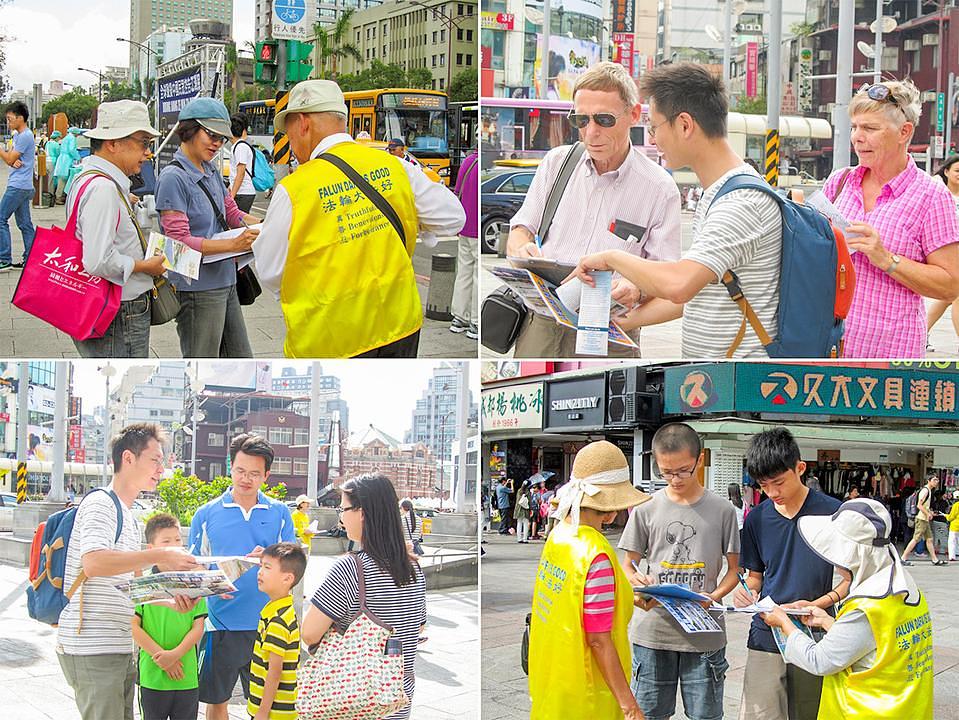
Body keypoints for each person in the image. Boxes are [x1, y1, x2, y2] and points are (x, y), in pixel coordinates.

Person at [567, 63, 783, 359]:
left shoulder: (741, 204)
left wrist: (609, 257)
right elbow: (693, 292)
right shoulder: (717, 193)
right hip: (713, 373)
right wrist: (617, 321)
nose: (653, 140)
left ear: (684, 125)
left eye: (655, 128)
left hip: (739, 375)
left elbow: (679, 285)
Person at [252, 79, 464, 358]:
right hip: (399, 327)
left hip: (330, 339)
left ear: (303, 123)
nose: (289, 143)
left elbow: (269, 272)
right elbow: (453, 217)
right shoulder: (396, 166)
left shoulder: (294, 189)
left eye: (288, 132)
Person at [507, 61, 681, 358]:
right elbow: (520, 230)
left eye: (604, 120)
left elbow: (666, 276)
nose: (591, 132)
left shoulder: (659, 188)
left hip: (609, 328)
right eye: (581, 121)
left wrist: (636, 289)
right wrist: (522, 248)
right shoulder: (556, 163)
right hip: (543, 322)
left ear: (634, 115)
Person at [57, 424, 201, 720]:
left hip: (117, 647)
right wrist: (162, 554)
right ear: (129, 458)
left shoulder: (130, 518)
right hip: (92, 647)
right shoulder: (101, 503)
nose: (162, 468)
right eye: (156, 459)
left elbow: (135, 590)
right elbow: (94, 563)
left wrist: (172, 603)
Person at [821, 80, 959, 358]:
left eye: (870, 128)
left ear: (904, 132)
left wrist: (886, 259)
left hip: (889, 355)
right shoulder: (840, 182)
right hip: (828, 345)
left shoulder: (931, 195)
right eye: (855, 127)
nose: (858, 137)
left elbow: (950, 284)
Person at [760, 499, 933, 719]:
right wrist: (825, 621)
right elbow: (877, 642)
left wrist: (784, 623)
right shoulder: (905, 591)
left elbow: (820, 660)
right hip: (906, 709)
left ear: (855, 556)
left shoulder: (866, 608)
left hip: (865, 711)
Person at [619, 424, 740, 720]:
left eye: (683, 470)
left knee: (705, 716)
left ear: (700, 460)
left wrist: (714, 596)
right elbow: (628, 565)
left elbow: (734, 571)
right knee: (649, 714)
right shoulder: (646, 509)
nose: (674, 479)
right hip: (653, 631)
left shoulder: (723, 510)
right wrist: (637, 581)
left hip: (704, 633)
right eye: (666, 472)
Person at [733, 427, 850, 720]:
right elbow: (756, 576)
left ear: (800, 468)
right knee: (761, 714)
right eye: (763, 485)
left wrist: (818, 604)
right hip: (766, 632)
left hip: (814, 631)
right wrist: (748, 591)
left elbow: (850, 580)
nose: (772, 493)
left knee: (809, 713)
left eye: (778, 482)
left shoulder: (832, 513)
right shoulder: (758, 518)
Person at [528, 441, 651, 719]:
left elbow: (572, 598)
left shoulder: (559, 536)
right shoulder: (596, 554)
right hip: (588, 690)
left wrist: (630, 596)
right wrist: (629, 706)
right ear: (610, 511)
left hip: (554, 675)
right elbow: (598, 639)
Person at [187, 434, 296, 720]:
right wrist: (211, 586)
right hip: (220, 623)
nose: (246, 479)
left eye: (255, 474)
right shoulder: (206, 514)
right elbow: (194, 566)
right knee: (217, 700)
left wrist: (270, 557)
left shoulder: (280, 513)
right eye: (240, 471)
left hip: (269, 626)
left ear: (267, 475)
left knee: (268, 706)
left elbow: (294, 564)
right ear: (230, 468)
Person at [301, 474, 427, 720]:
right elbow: (418, 625)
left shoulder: (350, 569)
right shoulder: (414, 569)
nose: (341, 516)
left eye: (344, 508)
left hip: (352, 702)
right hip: (397, 700)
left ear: (363, 512)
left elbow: (309, 633)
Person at [155, 97, 262, 358]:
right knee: (201, 363)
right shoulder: (173, 178)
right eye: (210, 134)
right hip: (196, 288)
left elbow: (232, 213)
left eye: (222, 137)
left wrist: (266, 226)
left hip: (226, 280)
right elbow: (178, 242)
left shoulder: (211, 171)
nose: (217, 143)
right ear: (189, 130)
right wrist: (233, 245)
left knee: (241, 360)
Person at [66, 100, 167, 358]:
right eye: (143, 143)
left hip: (110, 308)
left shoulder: (88, 178)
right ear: (113, 143)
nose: (148, 153)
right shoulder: (104, 189)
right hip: (119, 312)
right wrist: (146, 266)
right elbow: (98, 260)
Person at [132, 513, 208, 720]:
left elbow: (198, 627)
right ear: (151, 549)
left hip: (187, 673)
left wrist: (174, 655)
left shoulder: (193, 582)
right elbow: (134, 627)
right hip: (152, 674)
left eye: (177, 540)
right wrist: (162, 658)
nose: (174, 546)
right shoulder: (144, 583)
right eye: (166, 542)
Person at [247, 542, 306, 720]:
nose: (260, 572)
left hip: (274, 713)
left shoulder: (278, 620)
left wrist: (263, 711)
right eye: (261, 566)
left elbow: (275, 671)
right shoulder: (277, 610)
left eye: (267, 567)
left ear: (287, 578)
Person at [926, 153, 959, 351]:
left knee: (947, 297)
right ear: (946, 171)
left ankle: (921, 333)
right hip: (947, 253)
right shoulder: (938, 193)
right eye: (957, 171)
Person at [0, 101, 36, 270]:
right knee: (25, 224)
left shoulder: (25, 135)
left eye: (10, 119)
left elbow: (8, 158)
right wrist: (11, 160)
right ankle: (31, 258)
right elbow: (12, 160)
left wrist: (5, 155)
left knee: (0, 219)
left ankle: (4, 258)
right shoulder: (20, 136)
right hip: (23, 185)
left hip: (18, 186)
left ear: (20, 118)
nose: (8, 123)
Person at [449, 148, 479, 340]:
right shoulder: (479, 165)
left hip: (465, 227)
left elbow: (457, 192)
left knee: (464, 272)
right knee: (477, 277)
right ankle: (475, 322)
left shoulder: (467, 162)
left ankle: (459, 317)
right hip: (477, 228)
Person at [900, 474, 947, 566]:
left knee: (929, 539)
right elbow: (919, 505)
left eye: (937, 480)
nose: (936, 482)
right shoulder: (925, 491)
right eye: (934, 480)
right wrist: (928, 513)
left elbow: (924, 506)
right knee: (916, 538)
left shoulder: (929, 490)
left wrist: (930, 512)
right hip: (921, 519)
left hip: (924, 519)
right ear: (929, 481)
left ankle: (934, 559)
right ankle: (903, 557)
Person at [228, 113, 258, 214]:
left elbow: (240, 174)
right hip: (242, 192)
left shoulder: (240, 147)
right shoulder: (238, 146)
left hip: (243, 193)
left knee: (238, 224)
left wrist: (232, 195)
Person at [54, 127, 83, 204]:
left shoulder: (66, 137)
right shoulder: (72, 138)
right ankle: (59, 197)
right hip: (66, 160)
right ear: (76, 133)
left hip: (62, 158)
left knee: (62, 178)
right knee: (63, 178)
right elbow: (72, 149)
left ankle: (60, 196)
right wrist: (78, 157)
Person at [945, 490, 959, 562]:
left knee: (952, 541)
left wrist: (946, 516)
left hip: (955, 526)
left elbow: (951, 517)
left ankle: (952, 556)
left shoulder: (956, 505)